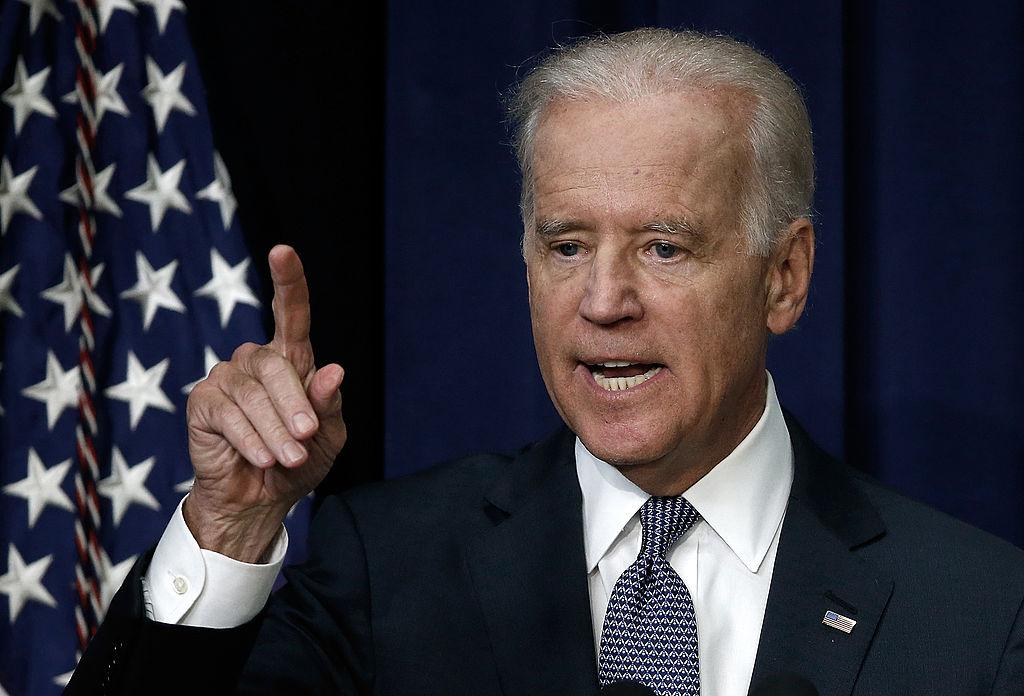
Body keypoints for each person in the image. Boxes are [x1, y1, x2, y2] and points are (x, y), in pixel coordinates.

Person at [68, 28, 1024, 696]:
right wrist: (233, 527)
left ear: (784, 276)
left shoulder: (976, 613)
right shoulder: (386, 568)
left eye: (664, 247)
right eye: (566, 245)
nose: (603, 302)